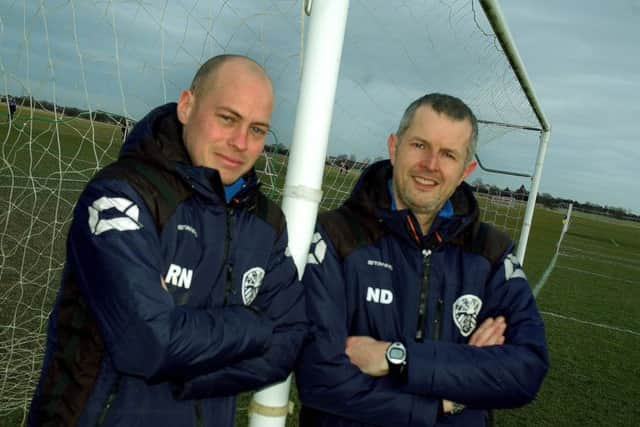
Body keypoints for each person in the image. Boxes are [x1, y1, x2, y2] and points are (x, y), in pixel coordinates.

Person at [28, 54, 307, 427]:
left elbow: (290, 339)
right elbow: (148, 344)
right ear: (187, 106)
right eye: (227, 118)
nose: (241, 142)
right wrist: (254, 325)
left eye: (257, 130)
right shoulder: (121, 196)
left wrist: (190, 375)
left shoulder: (265, 221)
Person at [295, 93, 548, 427]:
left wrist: (395, 358)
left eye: (448, 154)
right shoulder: (335, 237)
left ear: (465, 170)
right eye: (419, 145)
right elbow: (321, 378)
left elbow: (524, 370)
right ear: (393, 146)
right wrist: (447, 400)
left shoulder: (491, 253)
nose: (430, 164)